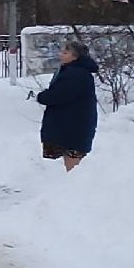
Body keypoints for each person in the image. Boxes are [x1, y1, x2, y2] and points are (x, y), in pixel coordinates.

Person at [35, 40, 99, 171]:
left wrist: (42, 97)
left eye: (65, 52)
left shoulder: (76, 74)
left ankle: (72, 190)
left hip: (70, 130)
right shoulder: (72, 71)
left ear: (75, 56)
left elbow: (59, 95)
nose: (60, 55)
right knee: (63, 169)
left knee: (70, 171)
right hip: (68, 128)